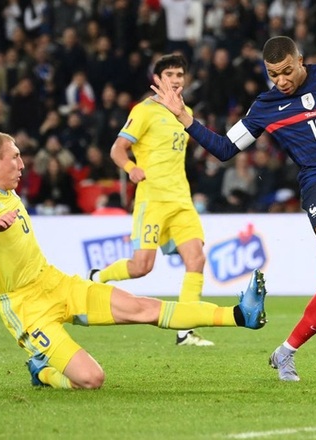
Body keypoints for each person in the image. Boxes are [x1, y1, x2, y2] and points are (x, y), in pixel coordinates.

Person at [150, 36, 316, 380]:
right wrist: (184, 117)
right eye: (273, 75)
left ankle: (285, 352)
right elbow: (225, 148)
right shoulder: (266, 106)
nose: (281, 81)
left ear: (301, 61)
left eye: (287, 72)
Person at [0, 132, 267, 389]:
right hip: (24, 306)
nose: (22, 164)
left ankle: (240, 314)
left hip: (54, 282)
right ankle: (41, 371)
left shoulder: (9, 193)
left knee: (142, 308)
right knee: (92, 379)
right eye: (15, 157)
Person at [88, 55, 214, 347]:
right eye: (169, 73)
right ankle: (99, 276)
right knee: (142, 266)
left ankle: (185, 330)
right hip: (152, 200)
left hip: (181, 200)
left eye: (180, 74)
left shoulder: (185, 112)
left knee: (196, 258)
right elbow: (117, 149)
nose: (175, 79)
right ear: (157, 79)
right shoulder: (143, 111)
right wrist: (132, 169)